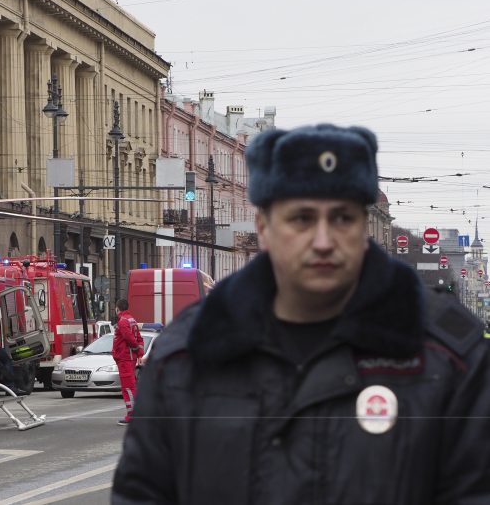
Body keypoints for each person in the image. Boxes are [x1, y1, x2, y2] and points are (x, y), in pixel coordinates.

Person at [113, 124, 490, 503]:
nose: (323, 241)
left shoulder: (447, 355)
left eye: (342, 218)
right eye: (302, 219)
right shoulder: (190, 352)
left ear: (364, 228)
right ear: (264, 227)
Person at [112, 298, 144, 426]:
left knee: (128, 388)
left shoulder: (123, 321)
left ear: (117, 308)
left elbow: (129, 338)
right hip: (129, 358)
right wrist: (139, 352)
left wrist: (135, 348)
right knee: (131, 386)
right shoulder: (132, 320)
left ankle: (132, 416)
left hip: (125, 358)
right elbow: (139, 338)